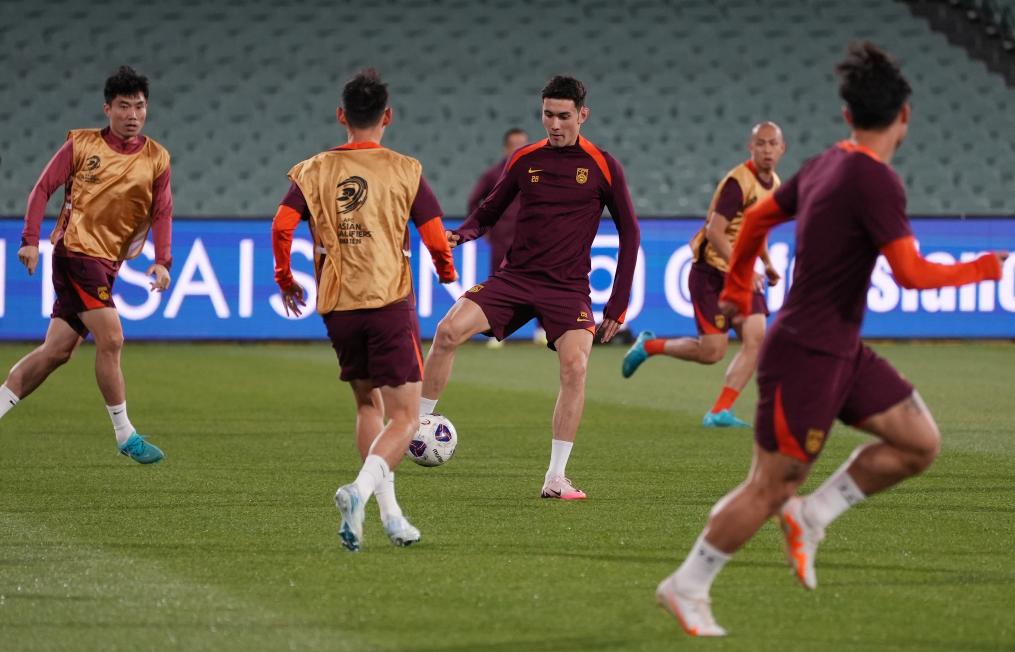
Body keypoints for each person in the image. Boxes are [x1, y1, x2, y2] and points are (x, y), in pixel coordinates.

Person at [655, 42, 1007, 637]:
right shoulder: (876, 181)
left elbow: (759, 219)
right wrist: (984, 268)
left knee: (919, 443)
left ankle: (814, 515)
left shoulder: (826, 162)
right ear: (905, 116)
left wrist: (737, 286)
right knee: (770, 486)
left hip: (840, 349)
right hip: (806, 355)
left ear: (847, 115)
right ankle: (687, 585)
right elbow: (911, 275)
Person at [419, 75, 640, 500]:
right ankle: (416, 426)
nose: (554, 124)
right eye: (547, 115)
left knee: (575, 367)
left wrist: (618, 303)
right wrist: (462, 234)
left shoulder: (603, 165)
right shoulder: (524, 159)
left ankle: (556, 477)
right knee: (447, 331)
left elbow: (630, 232)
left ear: (582, 115)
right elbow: (489, 211)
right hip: (516, 278)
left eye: (563, 116)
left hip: (567, 288)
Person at [271, 68, 457, 552]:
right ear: (387, 117)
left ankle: (391, 516)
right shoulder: (404, 169)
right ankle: (358, 490)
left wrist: (286, 278)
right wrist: (446, 273)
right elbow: (435, 234)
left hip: (338, 306)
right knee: (406, 418)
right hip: (388, 301)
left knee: (367, 404)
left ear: (342, 116)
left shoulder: (313, 169)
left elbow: (282, 225)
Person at [1, 66, 173, 464]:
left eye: (140, 106)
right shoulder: (81, 145)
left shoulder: (157, 158)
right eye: (124, 106)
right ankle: (125, 434)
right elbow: (42, 188)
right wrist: (30, 240)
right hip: (76, 253)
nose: (133, 115)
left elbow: (162, 212)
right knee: (112, 338)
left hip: (108, 262)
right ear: (107, 109)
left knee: (56, 352)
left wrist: (163, 261)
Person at [622, 123, 787, 428]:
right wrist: (744, 268)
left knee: (756, 339)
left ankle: (720, 411)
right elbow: (714, 232)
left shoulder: (774, 184)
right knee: (712, 352)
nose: (767, 150)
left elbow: (756, 229)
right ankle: (649, 346)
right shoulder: (738, 183)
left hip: (740, 273)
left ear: (782, 148)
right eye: (761, 143)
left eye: (772, 144)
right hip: (711, 272)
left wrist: (766, 263)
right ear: (751, 147)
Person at [467, 128, 548, 347]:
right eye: (515, 144)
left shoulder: (538, 172)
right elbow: (474, 201)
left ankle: (542, 330)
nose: (520, 148)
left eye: (524, 144)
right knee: (498, 287)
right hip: (502, 240)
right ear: (506, 148)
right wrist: (484, 229)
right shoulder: (494, 174)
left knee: (539, 283)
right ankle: (495, 333)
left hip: (532, 241)